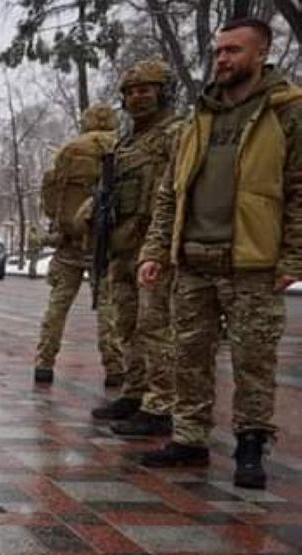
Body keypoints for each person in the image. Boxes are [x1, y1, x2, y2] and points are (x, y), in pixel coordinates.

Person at [137, 18, 300, 488]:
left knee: (254, 360)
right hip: (192, 260)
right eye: (218, 51)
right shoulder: (199, 118)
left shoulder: (286, 112)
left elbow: (298, 189)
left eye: (233, 50)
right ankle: (189, 438)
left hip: (251, 263)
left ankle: (251, 445)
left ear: (261, 52)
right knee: (188, 354)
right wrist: (156, 250)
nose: (222, 59)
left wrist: (292, 257)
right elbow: (171, 191)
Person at [88, 60, 184, 432]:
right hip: (122, 245)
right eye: (129, 92)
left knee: (155, 326)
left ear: (163, 92)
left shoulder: (175, 133)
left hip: (154, 247)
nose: (136, 98)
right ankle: (136, 390)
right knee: (125, 324)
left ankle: (161, 403)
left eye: (145, 90)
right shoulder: (126, 142)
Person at [33, 103, 122, 386]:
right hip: (107, 244)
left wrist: (61, 224)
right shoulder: (123, 148)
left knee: (57, 308)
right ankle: (114, 368)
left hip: (68, 242)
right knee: (109, 310)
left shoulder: (68, 151)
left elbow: (51, 195)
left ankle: (44, 363)